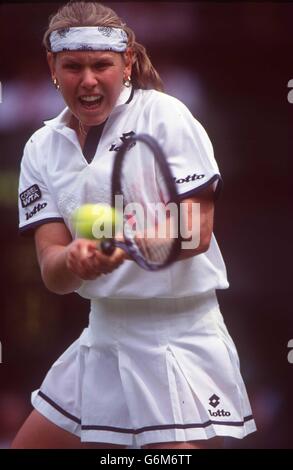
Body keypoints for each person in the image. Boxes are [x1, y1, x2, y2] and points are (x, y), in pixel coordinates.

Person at [12, 1, 256, 449]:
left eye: (101, 64)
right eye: (73, 66)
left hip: (180, 339)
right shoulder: (39, 148)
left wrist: (121, 247)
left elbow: (195, 232)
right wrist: (73, 258)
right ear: (53, 66)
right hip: (102, 336)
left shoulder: (166, 115)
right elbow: (52, 271)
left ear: (126, 64)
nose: (87, 80)